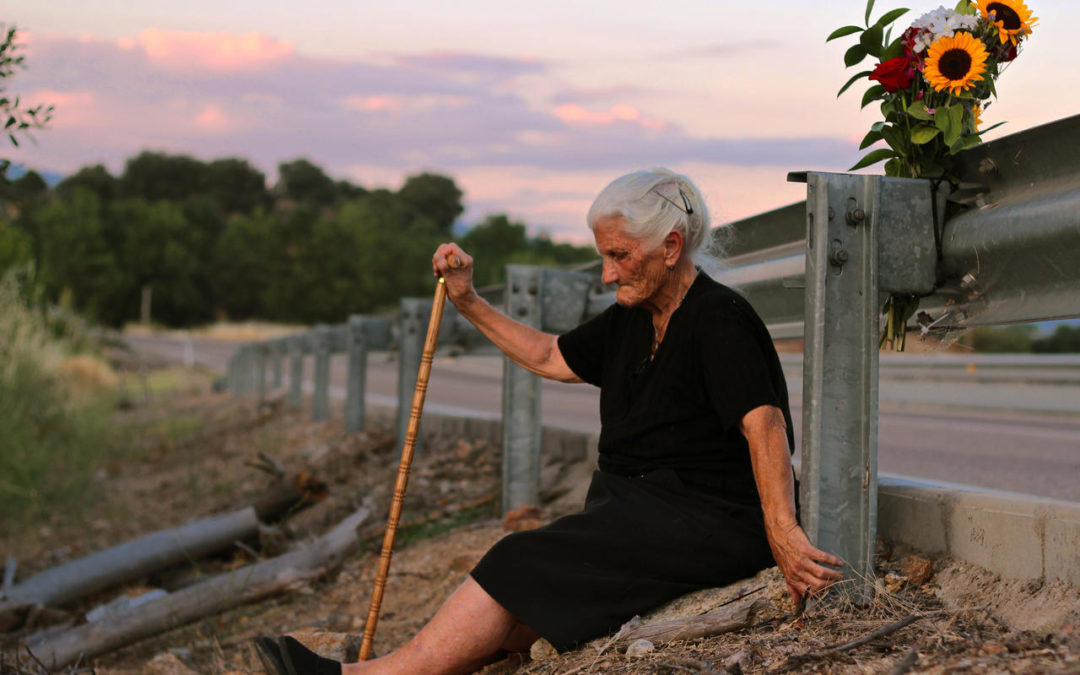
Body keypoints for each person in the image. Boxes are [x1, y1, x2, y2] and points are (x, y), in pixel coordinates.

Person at [256, 169, 842, 675]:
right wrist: (468, 300)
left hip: (705, 522)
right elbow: (547, 355)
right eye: (604, 256)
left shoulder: (720, 318)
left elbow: (764, 428)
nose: (608, 275)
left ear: (670, 246)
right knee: (514, 615)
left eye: (619, 255)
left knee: (516, 559)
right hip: (638, 513)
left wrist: (784, 535)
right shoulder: (631, 318)